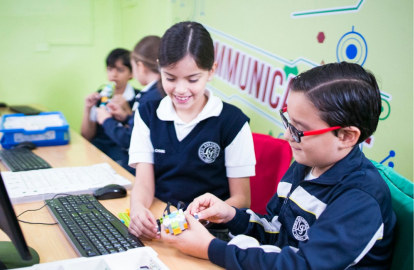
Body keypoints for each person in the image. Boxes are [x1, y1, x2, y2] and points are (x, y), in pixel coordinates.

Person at [162, 62, 396, 270]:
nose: (286, 135)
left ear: (346, 136)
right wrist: (231, 216)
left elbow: (302, 265)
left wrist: (210, 248)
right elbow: (277, 232)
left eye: (298, 128)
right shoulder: (306, 164)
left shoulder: (360, 200)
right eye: (287, 121)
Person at [128, 22, 256, 240]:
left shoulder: (232, 121)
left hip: (211, 232)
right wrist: (138, 208)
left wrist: (199, 218)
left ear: (211, 71)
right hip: (162, 223)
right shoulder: (148, 114)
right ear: (159, 68)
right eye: (170, 77)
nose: (180, 89)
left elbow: (241, 199)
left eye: (192, 79)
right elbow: (143, 182)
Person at [96, 36, 164, 175]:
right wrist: (126, 117)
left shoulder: (149, 98)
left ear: (140, 67)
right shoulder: (159, 92)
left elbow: (130, 140)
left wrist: (106, 120)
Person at [80, 48, 139, 171]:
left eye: (120, 70)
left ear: (132, 73)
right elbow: (86, 136)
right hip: (99, 147)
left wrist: (127, 111)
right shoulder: (100, 95)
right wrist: (87, 108)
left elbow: (137, 136)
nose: (114, 75)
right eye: (110, 69)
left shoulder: (138, 97)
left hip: (121, 149)